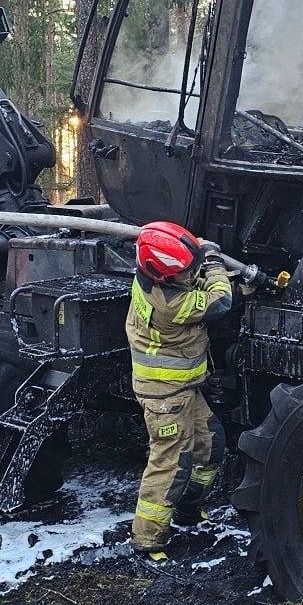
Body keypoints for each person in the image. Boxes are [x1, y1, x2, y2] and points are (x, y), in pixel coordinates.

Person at [124, 221, 245, 561]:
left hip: (181, 390)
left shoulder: (153, 276)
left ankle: (187, 511)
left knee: (209, 445)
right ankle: (147, 541)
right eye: (184, 272)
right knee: (171, 463)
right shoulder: (170, 304)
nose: (190, 274)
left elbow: (198, 286)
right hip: (165, 397)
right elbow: (219, 301)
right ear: (165, 276)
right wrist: (212, 260)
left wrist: (195, 255)